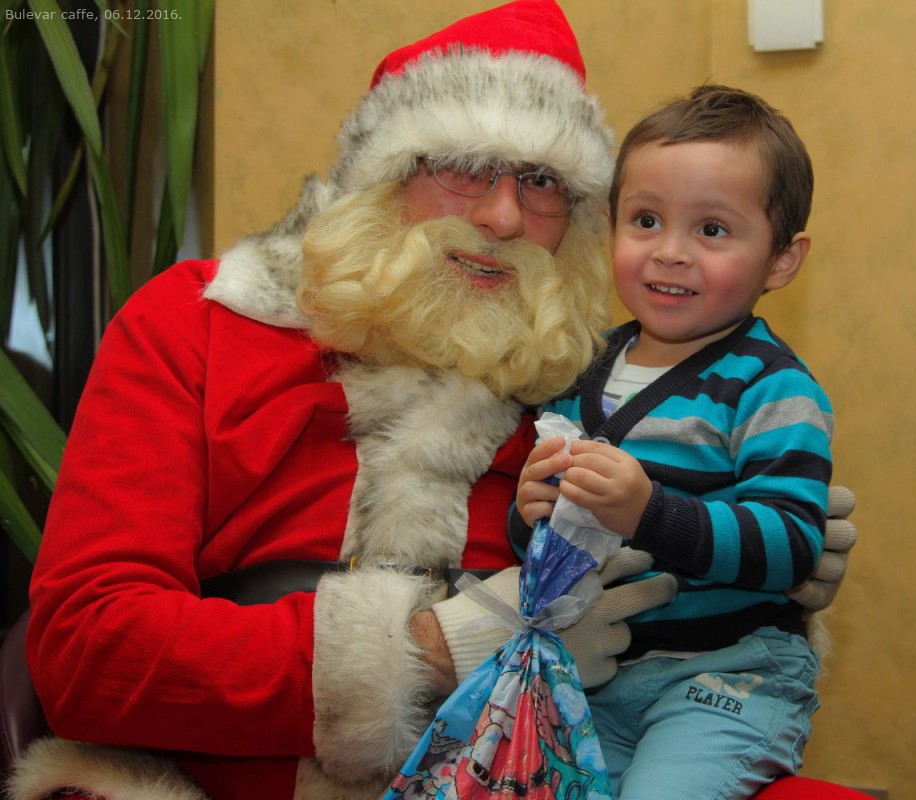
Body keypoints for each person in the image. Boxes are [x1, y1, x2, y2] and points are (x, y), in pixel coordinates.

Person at [8, 3, 679, 800]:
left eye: (541, 182)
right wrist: (432, 649)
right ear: (383, 175)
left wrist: (768, 545)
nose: (503, 217)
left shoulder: (590, 379)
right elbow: (87, 652)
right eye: (465, 165)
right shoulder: (198, 325)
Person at [510, 85, 834, 799]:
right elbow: (556, 542)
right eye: (647, 220)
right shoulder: (580, 366)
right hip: (595, 675)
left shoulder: (772, 387)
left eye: (711, 229)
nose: (670, 252)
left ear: (781, 260)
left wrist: (649, 512)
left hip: (727, 676)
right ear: (610, 227)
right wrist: (529, 513)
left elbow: (793, 546)